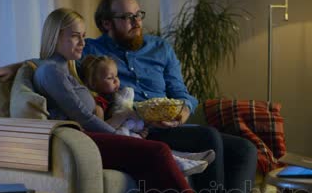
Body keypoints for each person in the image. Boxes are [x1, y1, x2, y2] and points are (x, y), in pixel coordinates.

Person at [0, 0, 259, 193]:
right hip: (136, 127)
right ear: (107, 23)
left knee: (245, 149)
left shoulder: (160, 48)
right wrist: (20, 65)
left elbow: (182, 92)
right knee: (204, 138)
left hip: (168, 122)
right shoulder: (91, 50)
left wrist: (183, 113)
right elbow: (53, 59)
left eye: (138, 15)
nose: (137, 21)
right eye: (127, 17)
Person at [32, 7, 232, 193]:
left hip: (91, 138)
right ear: (55, 37)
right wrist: (122, 138)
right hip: (80, 142)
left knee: (151, 176)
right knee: (158, 151)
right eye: (75, 37)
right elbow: (84, 118)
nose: (82, 42)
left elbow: (35, 65)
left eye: (83, 36)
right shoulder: (51, 72)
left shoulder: (66, 68)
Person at [80, 54, 215, 176]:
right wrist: (124, 115)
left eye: (116, 76)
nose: (116, 81)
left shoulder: (116, 99)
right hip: (119, 143)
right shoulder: (98, 106)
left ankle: (188, 158)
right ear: (94, 83)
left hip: (131, 134)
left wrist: (140, 129)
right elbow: (101, 133)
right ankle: (181, 163)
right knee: (155, 148)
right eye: (110, 78)